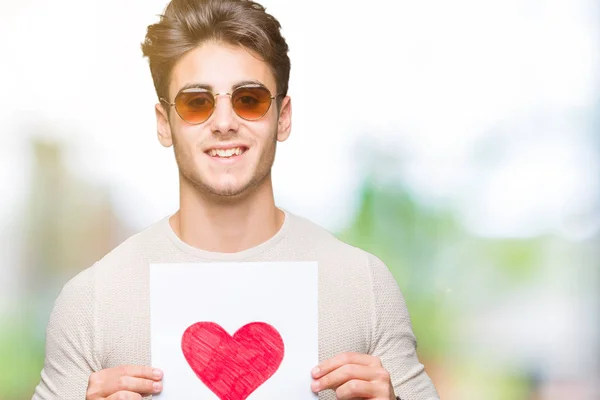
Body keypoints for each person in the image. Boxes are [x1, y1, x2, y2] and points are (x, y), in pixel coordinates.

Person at [32, 0, 440, 399]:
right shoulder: (92, 303)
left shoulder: (363, 286)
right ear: (164, 124)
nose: (224, 123)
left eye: (249, 99)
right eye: (197, 103)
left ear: (283, 117)